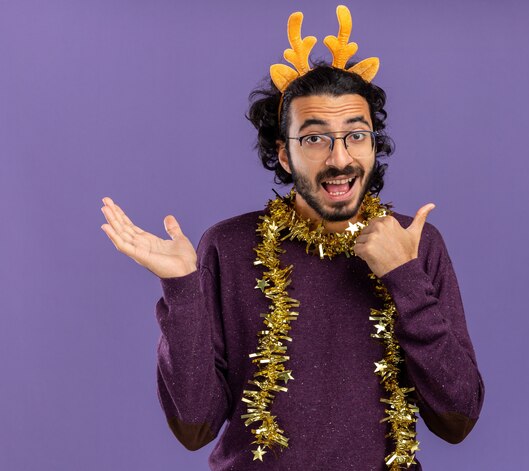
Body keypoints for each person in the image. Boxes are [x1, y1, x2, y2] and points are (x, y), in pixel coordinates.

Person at [100, 6, 484, 470]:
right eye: (314, 139)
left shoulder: (417, 243)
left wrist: (403, 277)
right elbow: (194, 427)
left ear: (372, 144)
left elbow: (457, 419)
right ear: (284, 155)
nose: (339, 158)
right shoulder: (227, 246)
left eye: (356, 135)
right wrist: (182, 289)